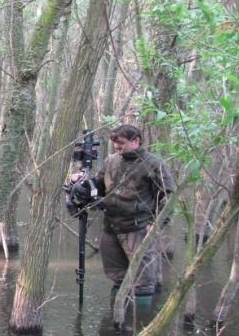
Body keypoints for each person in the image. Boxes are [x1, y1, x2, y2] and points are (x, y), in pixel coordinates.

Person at [70, 124, 176, 304]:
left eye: (121, 143)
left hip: (138, 228)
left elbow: (169, 196)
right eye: (115, 143)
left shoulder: (153, 164)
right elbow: (99, 184)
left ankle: (142, 323)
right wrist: (82, 183)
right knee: (117, 275)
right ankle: (117, 321)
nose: (117, 147)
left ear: (136, 141)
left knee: (142, 281)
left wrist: (156, 224)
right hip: (111, 227)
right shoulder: (111, 161)